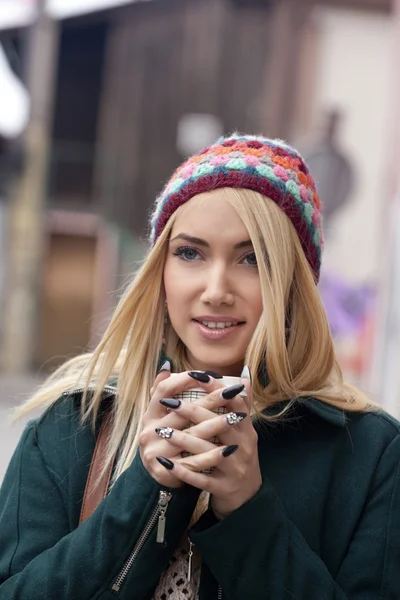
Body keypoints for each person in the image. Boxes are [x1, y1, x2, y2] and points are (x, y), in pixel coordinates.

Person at [0, 133, 399, 600]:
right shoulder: (74, 423)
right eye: (190, 253)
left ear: (293, 281)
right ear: (161, 271)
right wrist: (146, 492)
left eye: (252, 259)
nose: (215, 289)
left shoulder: (370, 455)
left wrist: (248, 512)